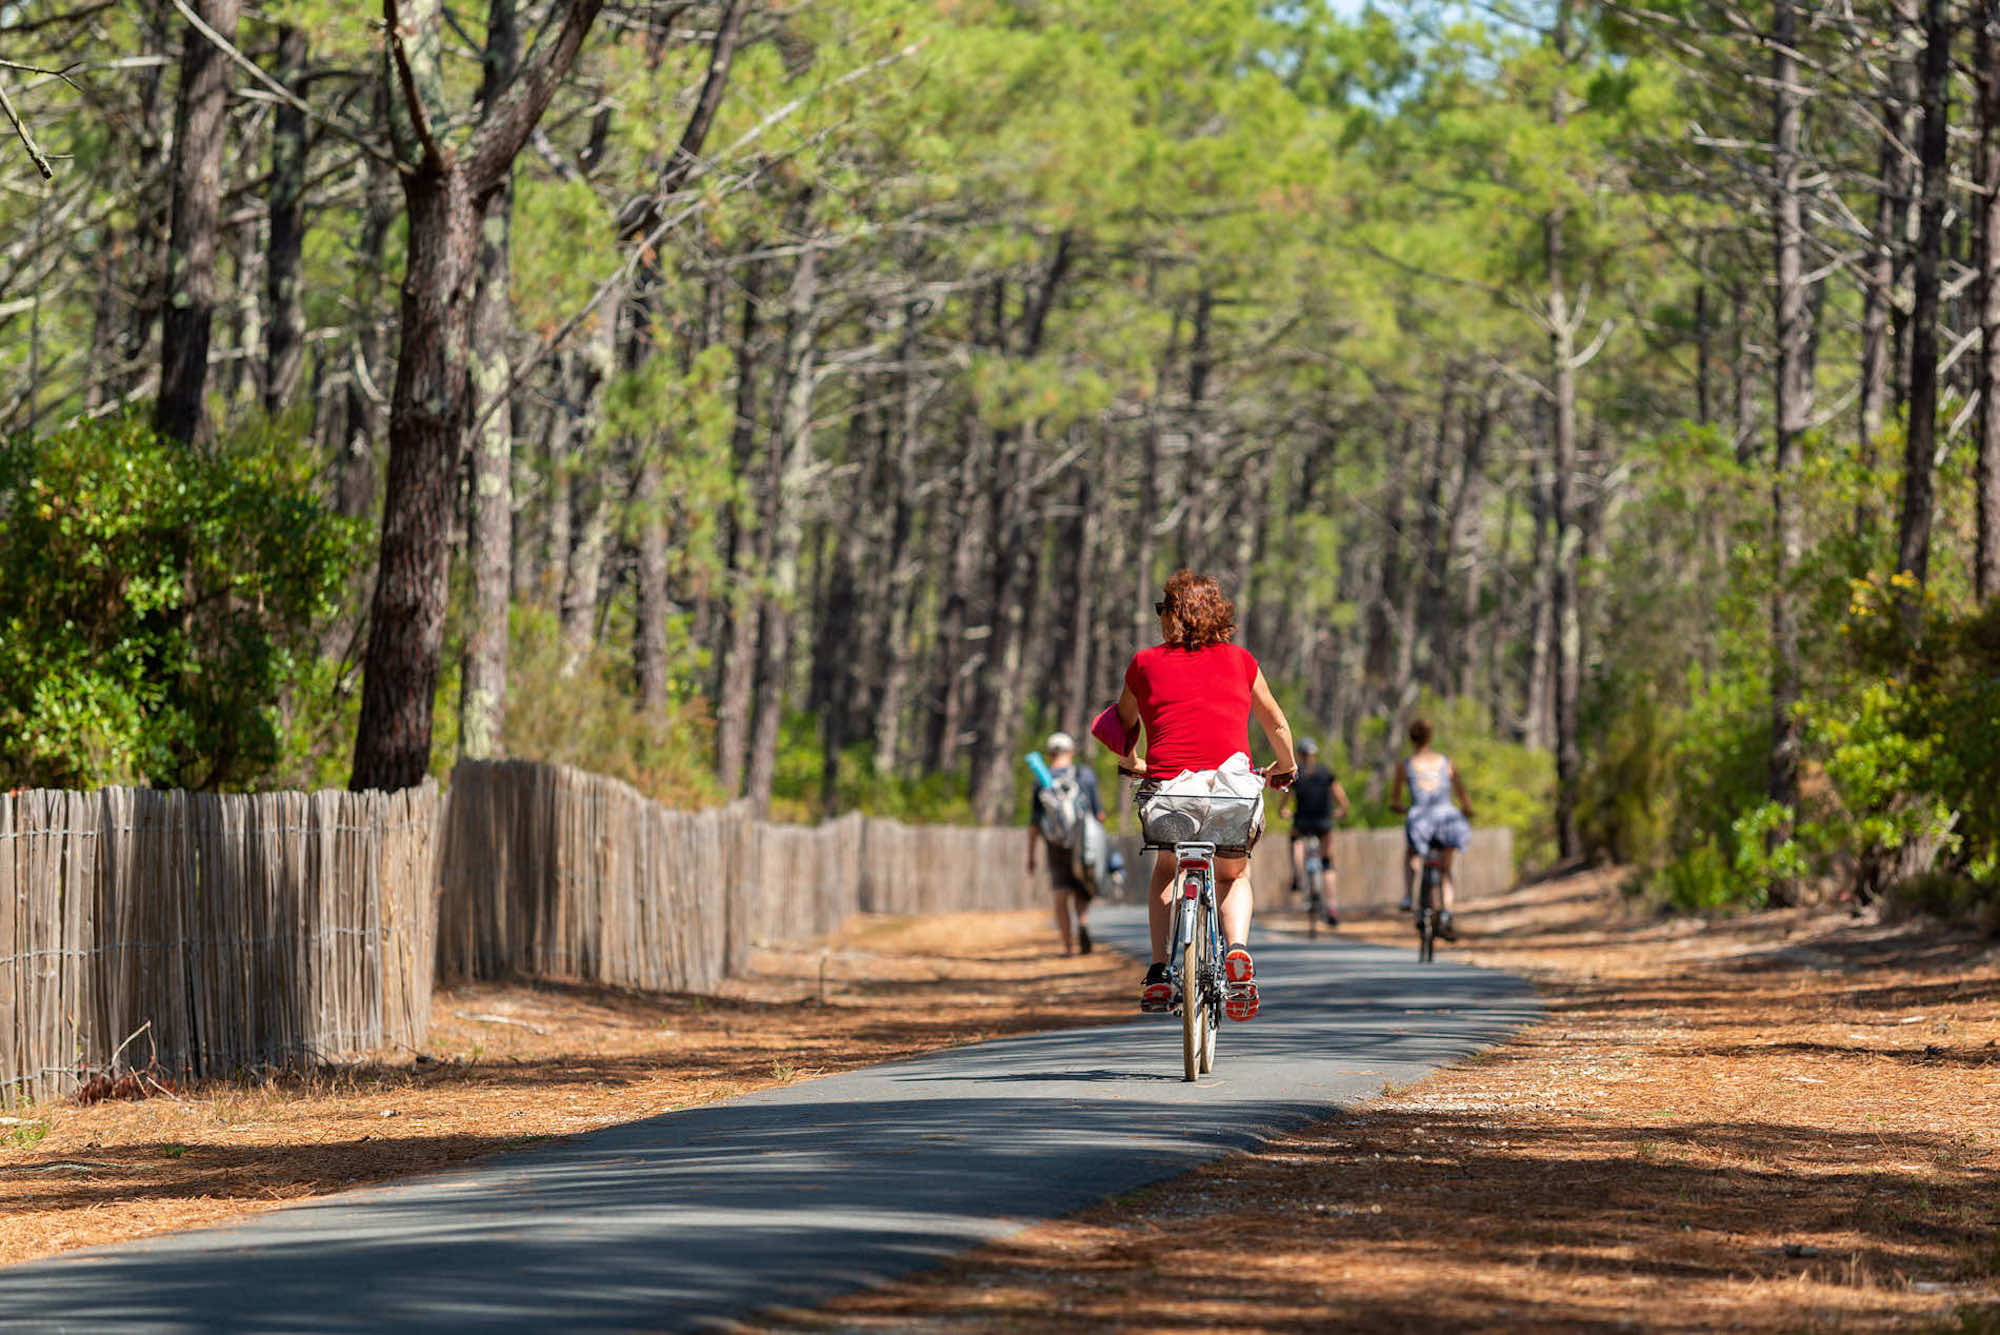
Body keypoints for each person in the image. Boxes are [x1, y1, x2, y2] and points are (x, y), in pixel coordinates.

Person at [1111, 570, 1298, 1022]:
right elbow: (1275, 723)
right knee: (1233, 875)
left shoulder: (1143, 663)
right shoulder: (1241, 660)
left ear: (1175, 615)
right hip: (1230, 794)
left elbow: (1121, 723)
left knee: (1167, 869)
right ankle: (1236, 952)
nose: (1159, 618)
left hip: (1169, 795)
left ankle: (1159, 969)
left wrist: (1134, 760)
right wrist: (1286, 768)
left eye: (1162, 609)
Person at [1388, 717, 1474, 941]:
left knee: (1412, 854)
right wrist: (1467, 809)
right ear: (1430, 737)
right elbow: (1462, 792)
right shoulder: (1446, 763)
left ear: (1411, 739)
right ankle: (1447, 912)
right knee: (1446, 872)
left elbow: (1395, 800)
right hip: (1447, 819)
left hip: (1421, 820)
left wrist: (1401, 808)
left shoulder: (1405, 765)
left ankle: (1408, 895)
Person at [1024, 731, 1104, 956]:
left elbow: (1034, 823)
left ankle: (1068, 947)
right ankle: (1083, 922)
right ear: (1071, 751)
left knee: (1060, 894)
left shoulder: (1043, 779)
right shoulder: (1084, 775)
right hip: (1083, 842)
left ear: (1050, 754)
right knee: (1081, 888)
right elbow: (1099, 814)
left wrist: (1030, 856)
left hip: (1055, 845)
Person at [1281, 738, 1349, 926]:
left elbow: (1285, 801)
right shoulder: (1326, 773)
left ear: (1301, 755)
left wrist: (1283, 811)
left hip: (1302, 821)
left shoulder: (1296, 775)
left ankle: (1298, 876)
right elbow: (1341, 798)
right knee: (1327, 864)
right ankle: (1332, 907)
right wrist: (1342, 811)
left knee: (1295, 840)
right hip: (1324, 822)